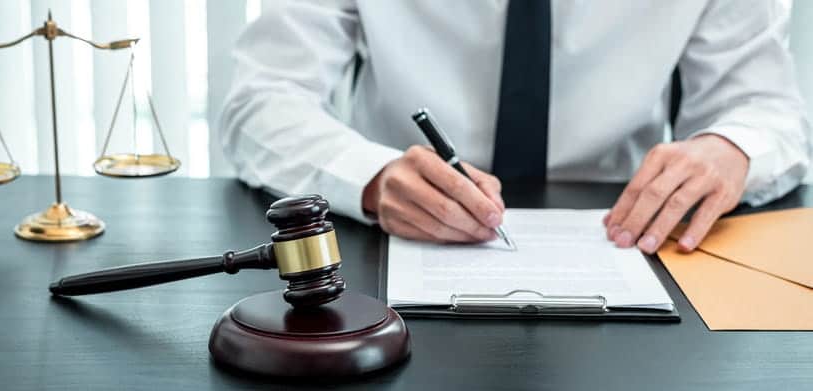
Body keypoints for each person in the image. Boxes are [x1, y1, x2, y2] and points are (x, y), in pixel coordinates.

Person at [219, 0, 811, 254]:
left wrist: (731, 148)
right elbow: (261, 100)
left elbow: (769, 108)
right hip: (389, 252)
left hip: (629, 242)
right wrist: (371, 178)